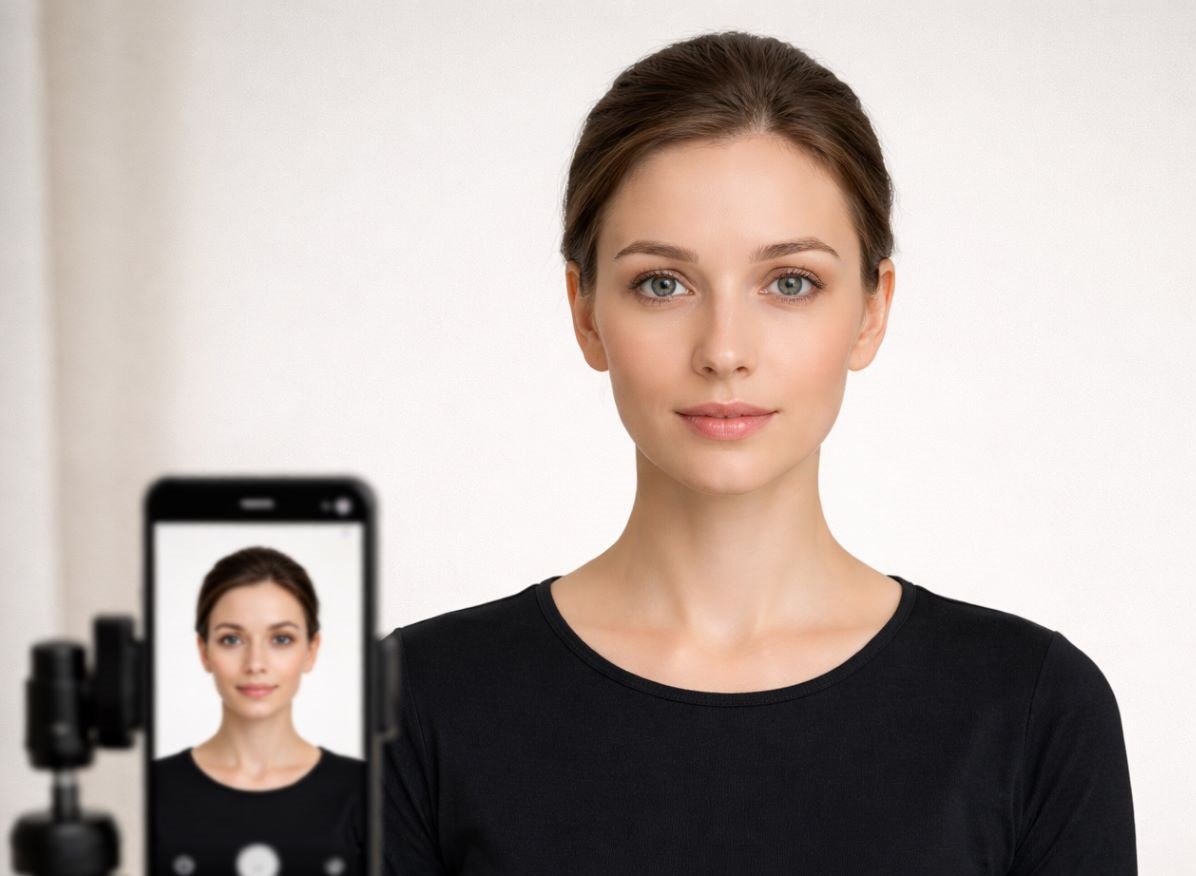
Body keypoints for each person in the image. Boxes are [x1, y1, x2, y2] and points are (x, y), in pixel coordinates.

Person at [383, 30, 1136, 874]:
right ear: (586, 311)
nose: (724, 349)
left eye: (790, 283)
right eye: (662, 283)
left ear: (871, 310)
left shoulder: (1031, 710)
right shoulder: (414, 706)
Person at [150, 545, 366, 875]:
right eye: (231, 640)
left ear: (311, 649)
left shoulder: (367, 792)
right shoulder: (149, 791)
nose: (255, 664)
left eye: (280, 639)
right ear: (203, 650)